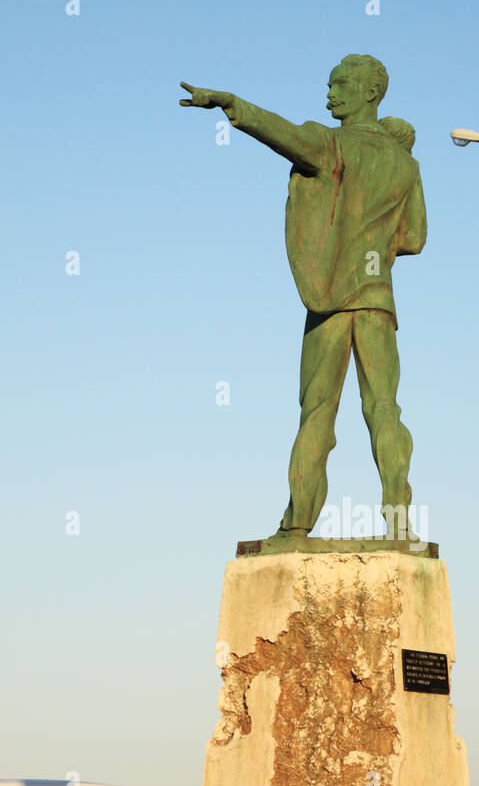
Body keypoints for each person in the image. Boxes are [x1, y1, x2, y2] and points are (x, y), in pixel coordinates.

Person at [179, 56, 427, 538]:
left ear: (370, 93)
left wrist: (233, 105)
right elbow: (414, 237)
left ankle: (296, 526)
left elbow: (284, 135)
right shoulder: (406, 164)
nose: (329, 93)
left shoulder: (331, 143)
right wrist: (374, 241)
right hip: (377, 300)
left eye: (340, 85)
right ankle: (399, 522)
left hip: (331, 299)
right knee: (385, 409)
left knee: (318, 412)